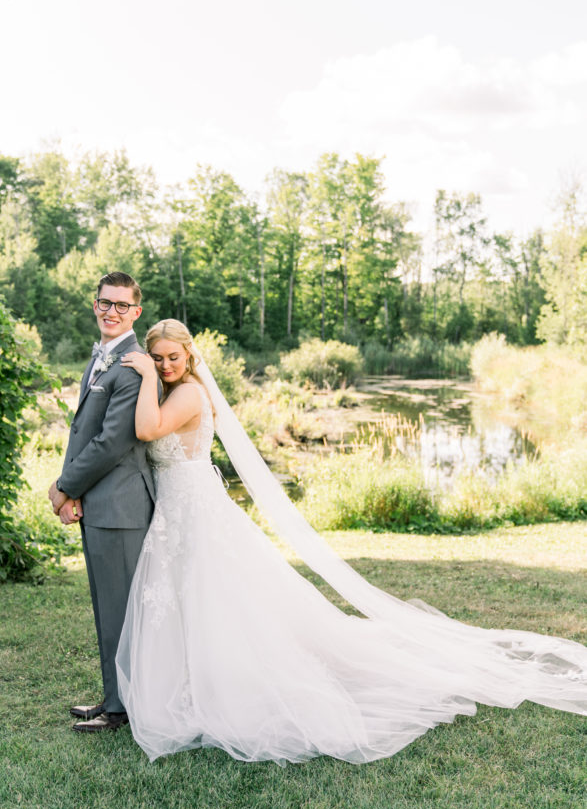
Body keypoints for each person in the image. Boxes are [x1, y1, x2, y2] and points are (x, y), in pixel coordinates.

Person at [115, 318, 587, 765]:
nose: (163, 365)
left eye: (171, 357)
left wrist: (143, 376)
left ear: (190, 355)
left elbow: (147, 429)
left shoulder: (190, 393)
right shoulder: (175, 389)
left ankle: (225, 686)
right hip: (179, 512)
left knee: (213, 598)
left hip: (194, 510)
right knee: (196, 599)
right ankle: (191, 682)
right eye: (155, 359)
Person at [49, 272, 155, 733]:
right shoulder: (101, 359)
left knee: (122, 610)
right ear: (95, 305)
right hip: (101, 502)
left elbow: (112, 443)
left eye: (120, 305)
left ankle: (122, 710)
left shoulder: (132, 365)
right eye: (104, 303)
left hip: (122, 506)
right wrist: (76, 493)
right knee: (108, 605)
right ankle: (116, 697)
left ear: (135, 312)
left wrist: (64, 486)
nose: (111, 312)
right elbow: (82, 432)